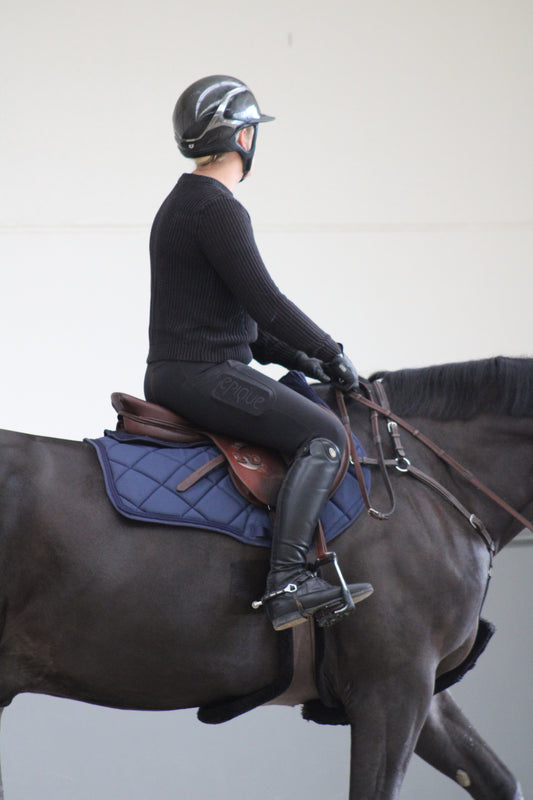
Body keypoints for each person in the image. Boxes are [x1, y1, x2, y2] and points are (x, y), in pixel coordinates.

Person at [144, 75, 373, 630]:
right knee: (326, 437)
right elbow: (267, 303)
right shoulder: (218, 209)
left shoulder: (183, 203)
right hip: (202, 374)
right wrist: (333, 350)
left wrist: (309, 364)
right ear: (244, 138)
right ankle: (288, 581)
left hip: (185, 369)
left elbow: (245, 325)